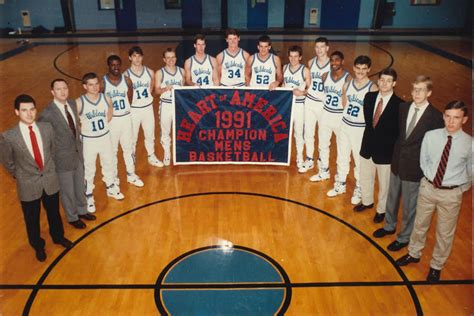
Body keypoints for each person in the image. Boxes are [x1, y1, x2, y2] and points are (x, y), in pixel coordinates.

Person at [396, 101, 471, 283]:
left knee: (445, 233)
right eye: (448, 116)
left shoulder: (470, 144)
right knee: (420, 224)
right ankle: (413, 253)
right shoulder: (431, 136)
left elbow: (471, 170)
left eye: (456, 118)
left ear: (464, 120)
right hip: (428, 188)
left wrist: (459, 188)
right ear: (443, 116)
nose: (451, 122)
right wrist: (429, 180)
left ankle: (436, 266)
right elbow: (424, 160)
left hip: (451, 194)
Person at [372, 75, 444, 249]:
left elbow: (434, 147)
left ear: (429, 93)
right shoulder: (403, 108)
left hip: (415, 168)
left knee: (410, 206)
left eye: (421, 90)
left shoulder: (435, 117)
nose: (416, 93)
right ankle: (389, 226)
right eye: (414, 89)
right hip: (397, 161)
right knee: (392, 198)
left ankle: (404, 237)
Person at [0, 94, 72, 262]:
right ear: (17, 112)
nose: (29, 114)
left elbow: (52, 151)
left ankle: (58, 237)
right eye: (24, 110)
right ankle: (38, 246)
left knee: (54, 213)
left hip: (49, 179)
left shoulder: (47, 128)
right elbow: (7, 161)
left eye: (32, 109)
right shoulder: (8, 136)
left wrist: (49, 169)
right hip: (28, 184)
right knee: (31, 219)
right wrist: (20, 175)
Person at [38, 79, 96, 229]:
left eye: (65, 88)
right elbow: (44, 140)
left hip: (77, 153)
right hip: (62, 159)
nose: (62, 91)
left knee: (79, 185)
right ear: (52, 92)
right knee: (67, 190)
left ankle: (82, 210)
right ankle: (72, 217)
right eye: (58, 89)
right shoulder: (47, 114)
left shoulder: (71, 104)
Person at [354, 68, 404, 221]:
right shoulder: (369, 97)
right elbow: (370, 123)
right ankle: (367, 201)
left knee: (385, 185)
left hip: (386, 152)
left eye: (388, 81)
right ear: (378, 81)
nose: (384, 83)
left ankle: (381, 210)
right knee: (365, 177)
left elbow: (399, 132)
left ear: (394, 83)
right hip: (367, 146)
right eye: (382, 80)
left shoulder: (400, 105)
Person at [327, 56, 378, 204]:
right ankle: (340, 184)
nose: (361, 71)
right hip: (345, 125)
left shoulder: (372, 88)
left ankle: (360, 188)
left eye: (364, 69)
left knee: (359, 160)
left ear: (369, 69)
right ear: (354, 68)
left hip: (360, 129)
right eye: (358, 68)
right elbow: (344, 104)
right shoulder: (347, 84)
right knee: (342, 156)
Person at [77, 72, 124, 213]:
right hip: (89, 140)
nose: (95, 87)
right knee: (89, 169)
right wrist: (83, 132)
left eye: (97, 83)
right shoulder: (79, 102)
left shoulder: (106, 98)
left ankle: (110, 186)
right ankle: (89, 195)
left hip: (104, 137)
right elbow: (75, 122)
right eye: (91, 84)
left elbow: (109, 115)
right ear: (85, 86)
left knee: (109, 162)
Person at [309, 51, 351, 184]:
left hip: (339, 116)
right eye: (332, 60)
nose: (334, 63)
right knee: (323, 145)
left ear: (342, 61)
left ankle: (341, 178)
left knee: (343, 148)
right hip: (326, 114)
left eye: (337, 60)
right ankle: (324, 171)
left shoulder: (348, 79)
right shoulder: (324, 76)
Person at [103, 55, 144, 187]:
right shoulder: (103, 82)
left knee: (128, 148)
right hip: (112, 120)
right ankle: (114, 178)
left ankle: (131, 174)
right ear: (108, 66)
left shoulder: (127, 80)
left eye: (118, 65)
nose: (116, 67)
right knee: (112, 151)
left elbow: (130, 99)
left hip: (126, 118)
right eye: (113, 65)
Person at [125, 46, 164, 167]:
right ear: (130, 58)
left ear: (142, 57)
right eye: (134, 56)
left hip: (147, 107)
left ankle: (151, 156)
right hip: (134, 110)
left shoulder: (150, 72)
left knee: (150, 134)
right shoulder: (126, 75)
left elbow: (151, 88)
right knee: (132, 137)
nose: (137, 59)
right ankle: (132, 158)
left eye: (139, 56)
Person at [298, 37, 331, 173]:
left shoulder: (332, 64)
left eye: (322, 47)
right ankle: (310, 158)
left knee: (324, 136)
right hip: (310, 101)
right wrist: (303, 91)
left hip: (323, 104)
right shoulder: (311, 62)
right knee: (309, 133)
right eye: (317, 47)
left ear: (327, 48)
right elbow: (308, 81)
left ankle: (323, 162)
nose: (319, 50)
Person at [155, 48, 184, 166]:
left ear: (176, 58)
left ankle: (180, 153)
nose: (171, 60)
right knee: (165, 130)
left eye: (173, 57)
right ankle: (167, 153)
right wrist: (165, 88)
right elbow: (156, 91)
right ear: (164, 59)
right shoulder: (160, 72)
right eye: (168, 58)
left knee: (180, 130)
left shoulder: (182, 71)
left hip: (178, 104)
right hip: (166, 104)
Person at [282, 45, 310, 168]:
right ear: (288, 56)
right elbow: (283, 83)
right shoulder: (284, 68)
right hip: (287, 105)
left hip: (299, 105)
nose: (293, 59)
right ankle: (282, 156)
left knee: (298, 133)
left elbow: (310, 89)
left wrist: (302, 92)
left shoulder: (305, 70)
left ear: (300, 57)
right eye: (291, 56)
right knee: (283, 131)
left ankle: (300, 157)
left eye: (296, 56)